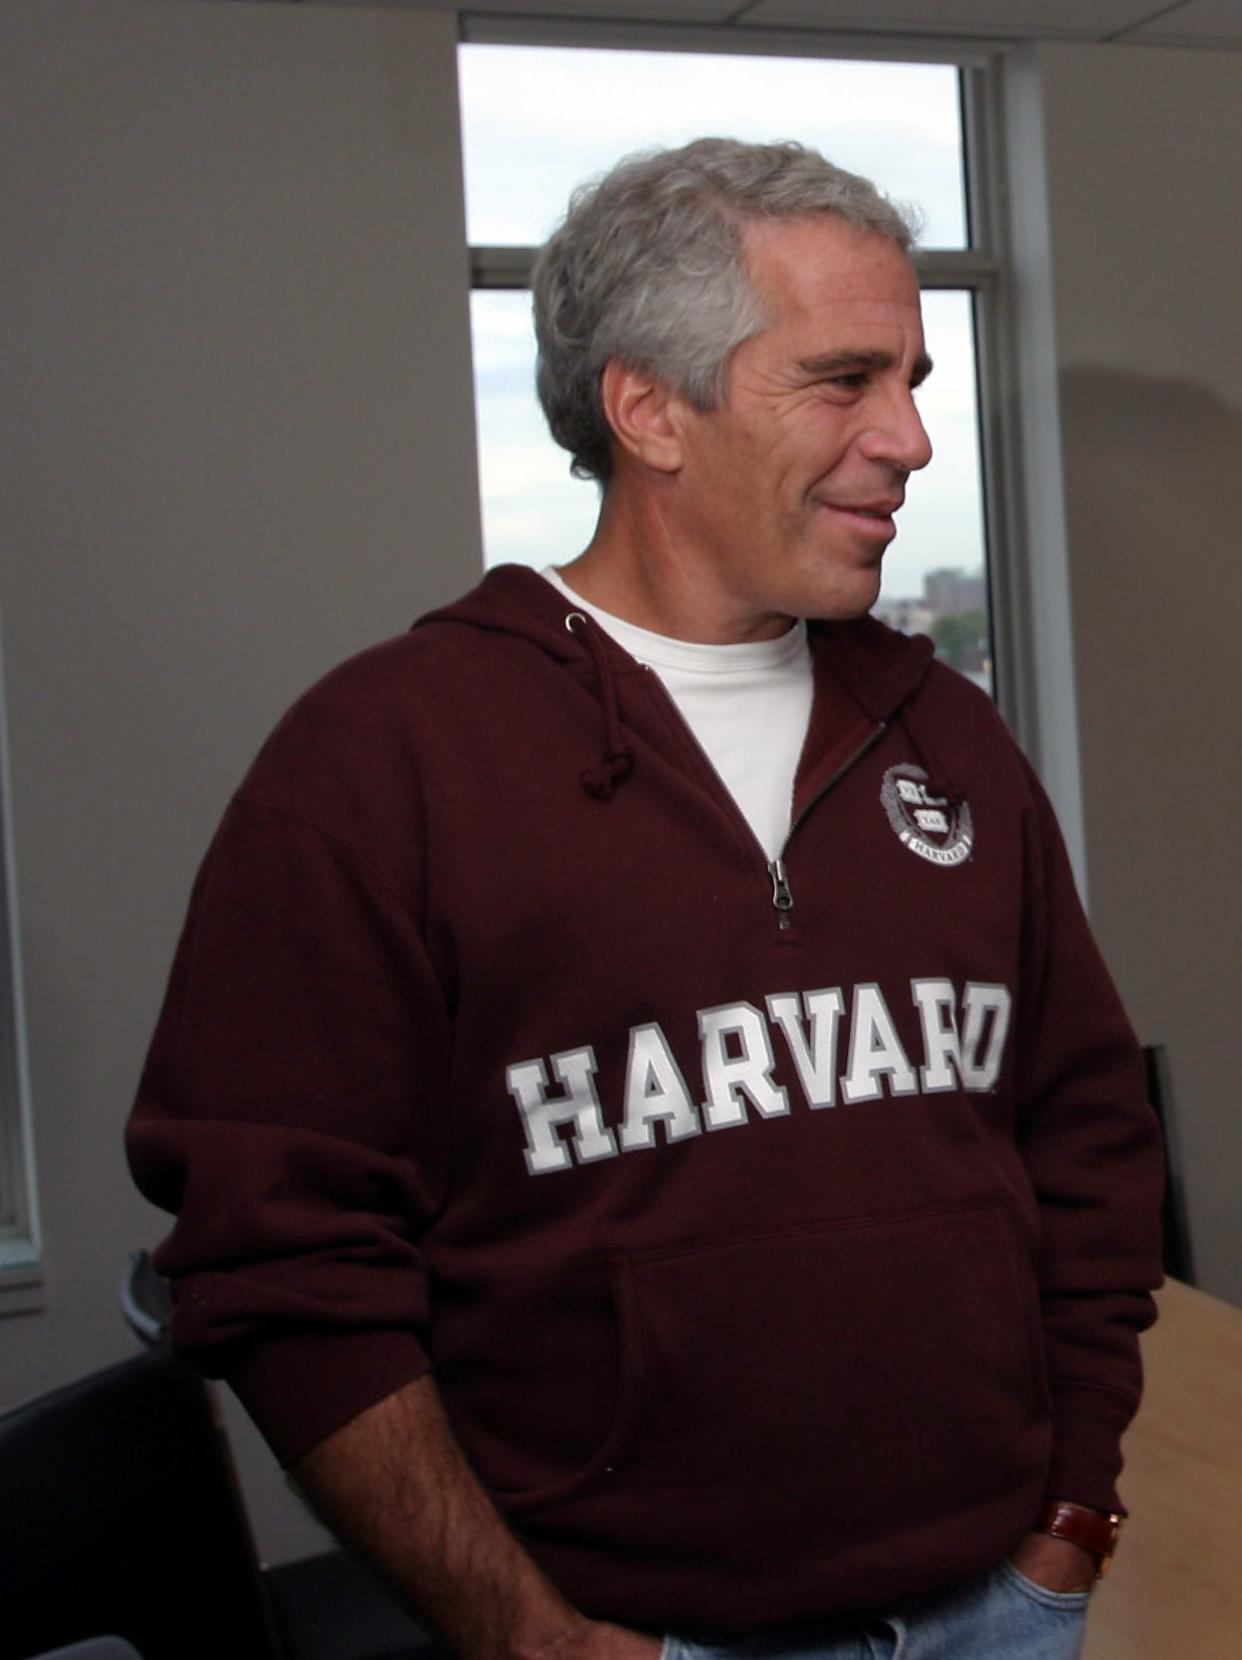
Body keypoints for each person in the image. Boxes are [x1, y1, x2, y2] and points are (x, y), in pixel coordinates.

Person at [127, 139, 1164, 1660]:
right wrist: (527, 1639)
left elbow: (1081, 1139)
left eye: (916, 379)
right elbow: (279, 1262)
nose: (911, 439)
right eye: (844, 380)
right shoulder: (385, 760)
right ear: (646, 409)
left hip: (1002, 1610)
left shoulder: (943, 733)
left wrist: (1072, 1521)